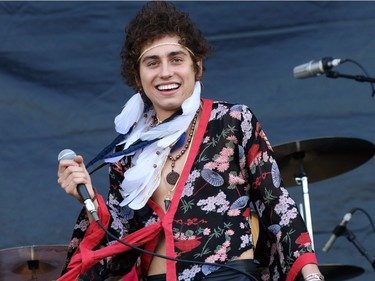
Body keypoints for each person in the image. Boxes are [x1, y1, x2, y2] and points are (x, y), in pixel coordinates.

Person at [57, 1, 324, 281]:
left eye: (176, 59)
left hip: (229, 275)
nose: (165, 72)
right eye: (152, 63)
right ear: (138, 76)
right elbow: (118, 253)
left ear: (196, 66)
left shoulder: (232, 120)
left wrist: (312, 274)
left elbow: (276, 203)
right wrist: (87, 200)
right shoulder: (126, 151)